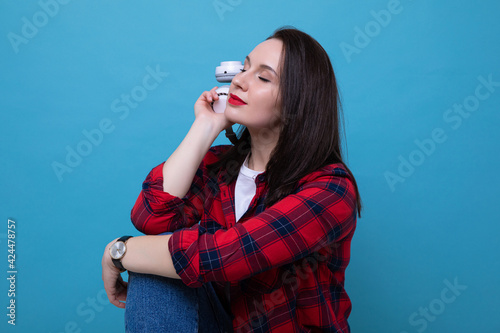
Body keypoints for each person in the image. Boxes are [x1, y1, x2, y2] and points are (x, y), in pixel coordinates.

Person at [102, 27, 362, 332]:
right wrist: (206, 126)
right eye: (245, 67)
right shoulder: (224, 166)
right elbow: (151, 215)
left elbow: (229, 256)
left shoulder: (330, 189)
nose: (239, 80)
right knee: (153, 269)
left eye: (263, 77)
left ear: (296, 103)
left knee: (151, 256)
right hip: (225, 321)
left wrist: (118, 252)